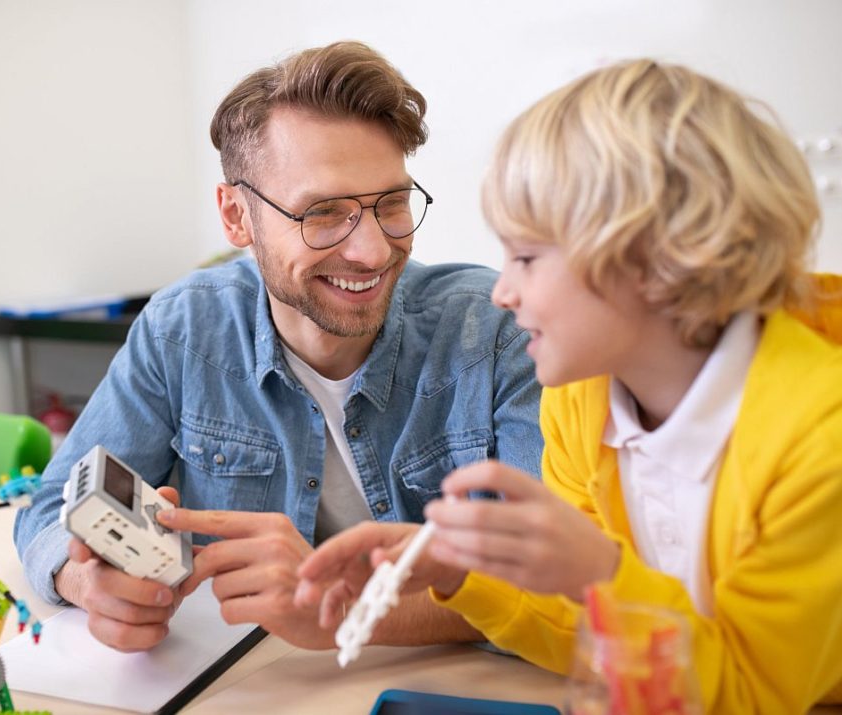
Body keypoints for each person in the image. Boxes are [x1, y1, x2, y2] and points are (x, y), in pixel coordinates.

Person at [297, 59, 842, 712]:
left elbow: (756, 691)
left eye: (525, 257)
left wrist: (601, 572)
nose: (501, 291)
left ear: (655, 262)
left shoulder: (820, 436)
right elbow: (580, 628)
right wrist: (457, 572)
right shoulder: (581, 401)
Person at [13, 40, 542, 652]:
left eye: (392, 204)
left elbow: (551, 589)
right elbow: (50, 506)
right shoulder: (182, 330)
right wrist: (88, 581)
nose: (372, 252)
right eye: (322, 212)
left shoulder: (498, 329)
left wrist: (341, 616)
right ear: (237, 216)